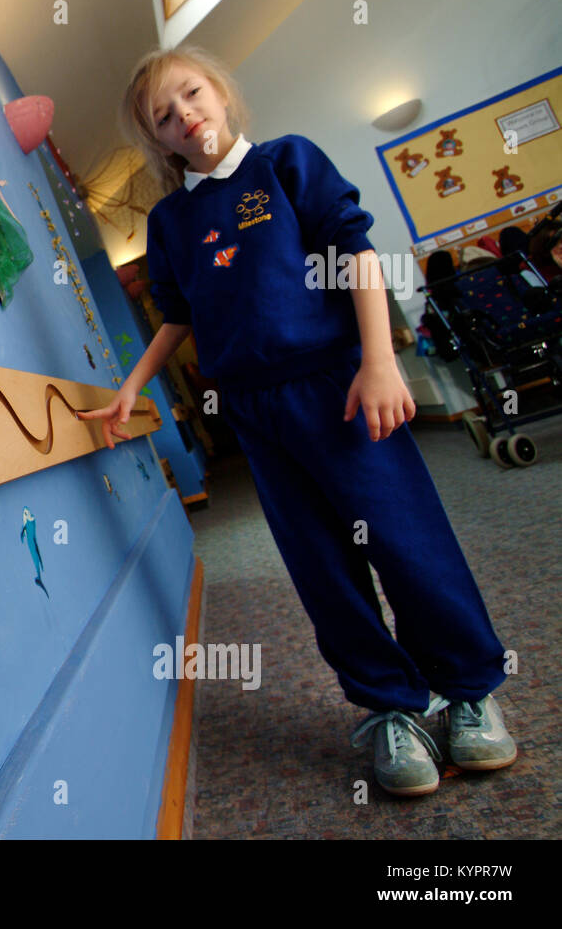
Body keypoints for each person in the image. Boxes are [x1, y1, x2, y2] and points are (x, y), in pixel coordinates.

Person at [78, 44, 516, 798]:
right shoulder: (172, 222)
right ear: (159, 139)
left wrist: (379, 361)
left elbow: (356, 255)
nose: (184, 114)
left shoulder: (287, 164)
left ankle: (470, 687)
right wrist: (130, 386)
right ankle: (388, 705)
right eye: (164, 115)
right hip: (256, 413)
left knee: (406, 542)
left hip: (337, 388)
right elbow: (177, 318)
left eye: (190, 94)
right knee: (321, 565)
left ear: (219, 92)